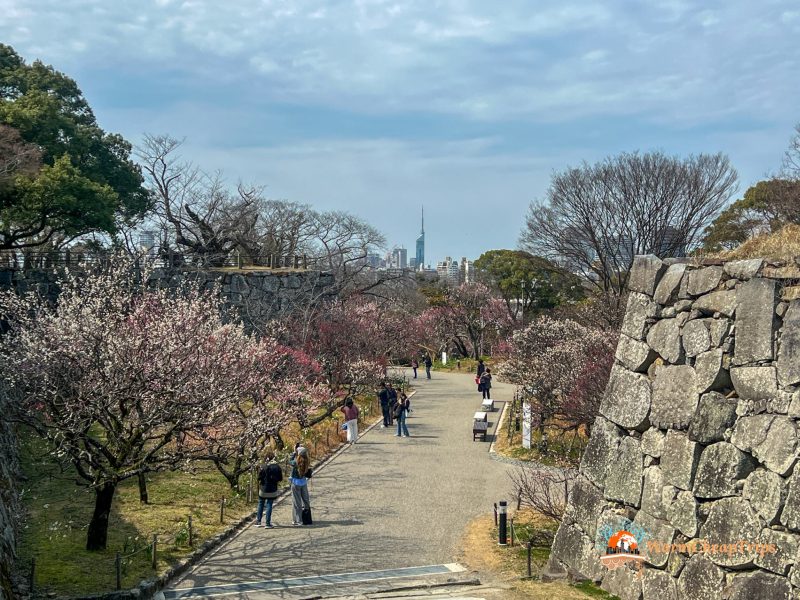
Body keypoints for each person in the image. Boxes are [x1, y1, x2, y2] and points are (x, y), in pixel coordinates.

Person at [255, 451, 283, 528]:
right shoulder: (277, 467)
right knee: (269, 504)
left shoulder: (263, 466)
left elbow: (259, 478)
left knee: (261, 503)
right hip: (273, 489)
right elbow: (280, 478)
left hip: (263, 488)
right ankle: (267, 523)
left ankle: (258, 521)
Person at [289, 445, 312, 526]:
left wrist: (293, 454)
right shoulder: (307, 461)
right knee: (305, 500)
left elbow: (290, 461)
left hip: (295, 483)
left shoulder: (296, 462)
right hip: (303, 482)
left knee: (296, 502)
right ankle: (306, 518)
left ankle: (298, 520)